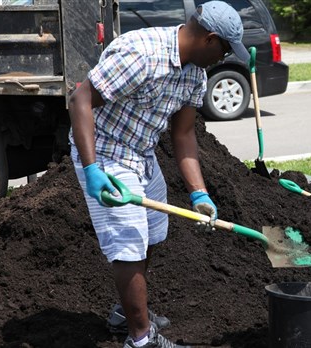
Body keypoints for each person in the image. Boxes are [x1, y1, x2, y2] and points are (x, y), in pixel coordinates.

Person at [68, 1, 249, 347]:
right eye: (224, 51)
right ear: (210, 39)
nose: (223, 59)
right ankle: (141, 339)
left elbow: (183, 135)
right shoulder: (142, 54)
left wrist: (199, 193)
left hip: (141, 152)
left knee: (152, 233)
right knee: (128, 240)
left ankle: (126, 314)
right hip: (105, 152)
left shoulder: (194, 72)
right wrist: (92, 169)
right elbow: (80, 100)